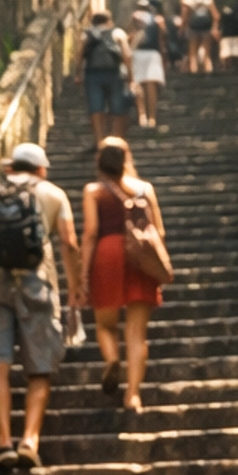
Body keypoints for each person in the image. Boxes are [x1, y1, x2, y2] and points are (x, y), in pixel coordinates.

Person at [0, 140, 81, 472]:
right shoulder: (53, 194)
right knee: (39, 367)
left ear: (10, 167)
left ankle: (3, 443)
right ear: (41, 169)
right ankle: (29, 441)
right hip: (36, 284)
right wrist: (74, 291)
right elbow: (69, 244)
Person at [81, 134, 167, 413]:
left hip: (107, 254)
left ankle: (112, 360)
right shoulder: (145, 189)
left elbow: (91, 232)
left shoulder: (93, 191)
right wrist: (155, 264)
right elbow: (158, 231)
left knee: (105, 324)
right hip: (139, 257)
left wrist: (83, 274)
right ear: (127, 159)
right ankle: (133, 395)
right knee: (137, 333)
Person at [78, 10, 130, 150]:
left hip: (92, 74)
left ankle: (100, 140)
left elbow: (79, 54)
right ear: (109, 21)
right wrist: (131, 77)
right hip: (115, 73)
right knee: (117, 107)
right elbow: (127, 55)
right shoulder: (118, 33)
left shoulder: (87, 34)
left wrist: (78, 73)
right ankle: (116, 140)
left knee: (96, 107)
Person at [128, 0, 167, 129]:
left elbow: (131, 34)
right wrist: (162, 55)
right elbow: (161, 39)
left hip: (137, 52)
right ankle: (152, 118)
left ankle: (141, 115)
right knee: (151, 85)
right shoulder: (158, 20)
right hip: (152, 53)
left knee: (138, 83)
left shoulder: (134, 16)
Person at [180, 0, 216, 74]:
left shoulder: (186, 0)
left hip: (193, 28)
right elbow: (216, 16)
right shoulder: (208, 0)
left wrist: (182, 28)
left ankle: (194, 72)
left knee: (192, 53)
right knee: (206, 53)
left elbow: (185, 16)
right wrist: (214, 28)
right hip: (206, 28)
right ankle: (208, 70)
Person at [217, 1, 238, 71]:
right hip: (237, 36)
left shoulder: (223, 17)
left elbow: (219, 27)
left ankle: (224, 68)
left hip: (226, 37)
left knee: (225, 55)